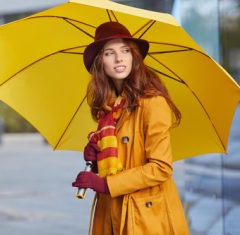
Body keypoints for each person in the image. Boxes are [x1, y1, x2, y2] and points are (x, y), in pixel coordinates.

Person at [72, 21, 189, 235]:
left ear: (134, 56)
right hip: (112, 213)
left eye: (125, 50)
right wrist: (96, 161)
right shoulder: (109, 109)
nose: (119, 59)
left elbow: (161, 168)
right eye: (109, 53)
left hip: (147, 218)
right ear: (100, 63)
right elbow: (121, 161)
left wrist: (105, 184)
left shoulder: (153, 102)